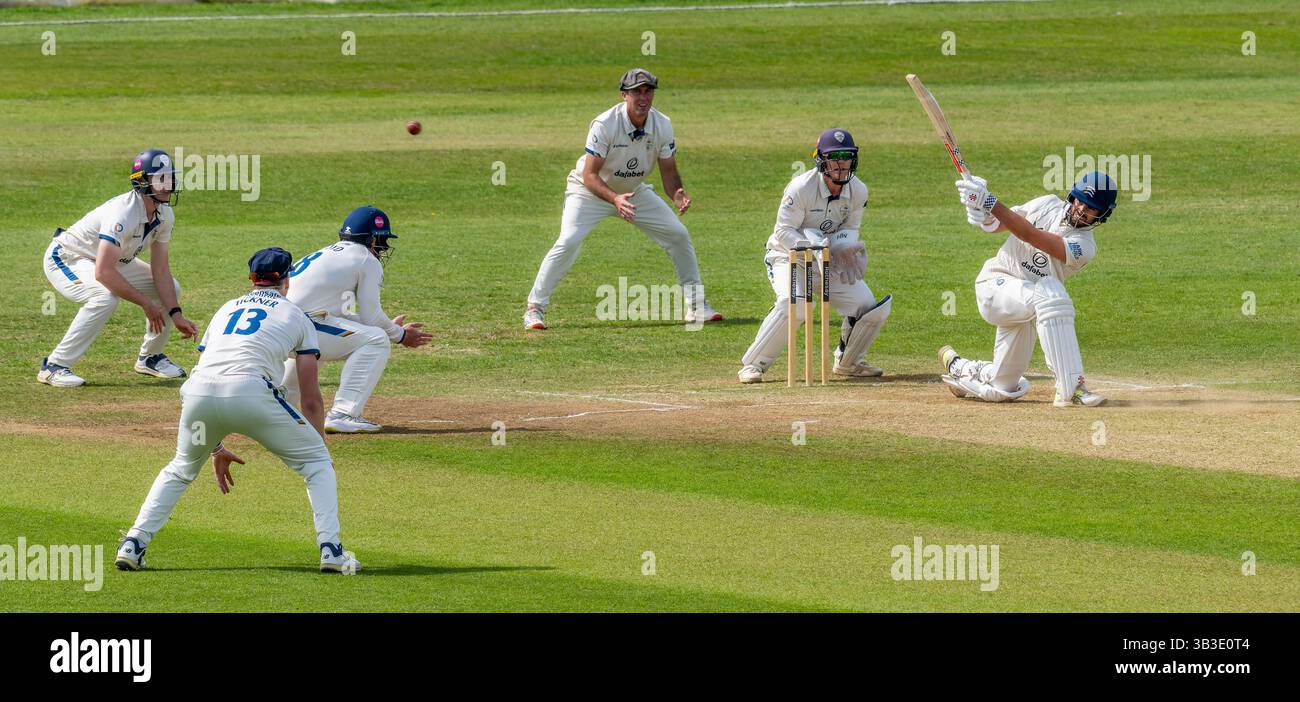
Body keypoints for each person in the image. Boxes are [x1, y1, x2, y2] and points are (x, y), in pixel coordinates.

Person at [116, 247, 360, 574]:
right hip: (252, 393)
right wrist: (318, 447)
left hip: (197, 393)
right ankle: (331, 550)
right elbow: (310, 398)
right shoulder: (298, 316)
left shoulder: (226, 308)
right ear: (287, 279)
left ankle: (134, 543)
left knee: (180, 469)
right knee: (317, 465)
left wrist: (214, 445)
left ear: (251, 278)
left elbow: (210, 375)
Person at [523, 67, 722, 329]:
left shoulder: (662, 124)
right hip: (589, 192)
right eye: (636, 92)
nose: (643, 98)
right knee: (569, 240)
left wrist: (677, 194)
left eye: (648, 92)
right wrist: (615, 199)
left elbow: (669, 171)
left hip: (633, 192)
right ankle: (535, 308)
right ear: (623, 95)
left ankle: (696, 306)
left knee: (678, 234)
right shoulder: (605, 124)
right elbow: (590, 175)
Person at [938, 171, 1117, 407]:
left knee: (1003, 389)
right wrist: (982, 213)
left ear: (1102, 215)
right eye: (1080, 201)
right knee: (1050, 292)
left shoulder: (1084, 246)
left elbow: (1029, 235)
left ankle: (959, 368)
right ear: (1072, 196)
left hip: (1026, 308)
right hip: (995, 285)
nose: (1082, 209)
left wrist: (989, 201)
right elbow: (1000, 224)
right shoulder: (1047, 203)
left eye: (1091, 208)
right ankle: (1073, 388)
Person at [738, 128, 892, 383]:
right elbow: (783, 231)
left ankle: (849, 362)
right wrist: (813, 248)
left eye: (846, 156)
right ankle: (754, 364)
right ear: (821, 160)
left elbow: (850, 228)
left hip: (827, 258)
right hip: (788, 257)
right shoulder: (801, 188)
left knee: (866, 305)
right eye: (835, 157)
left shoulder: (858, 190)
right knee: (796, 303)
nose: (841, 164)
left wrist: (843, 249)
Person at [39, 149, 199, 387]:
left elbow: (161, 271)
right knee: (104, 297)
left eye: (170, 177)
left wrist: (176, 314)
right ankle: (54, 365)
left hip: (113, 260)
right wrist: (146, 304)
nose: (168, 185)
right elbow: (103, 273)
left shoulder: (165, 214)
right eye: (161, 179)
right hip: (68, 257)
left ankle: (150, 357)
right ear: (142, 182)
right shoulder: (123, 213)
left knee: (171, 288)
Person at [280, 206, 432, 434]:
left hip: (283, 327)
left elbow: (344, 317)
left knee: (319, 337)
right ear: (372, 239)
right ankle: (344, 414)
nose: (383, 248)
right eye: (382, 240)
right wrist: (399, 335)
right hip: (304, 326)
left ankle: (281, 410)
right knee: (376, 340)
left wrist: (388, 327)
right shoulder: (365, 260)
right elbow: (371, 316)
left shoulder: (328, 254)